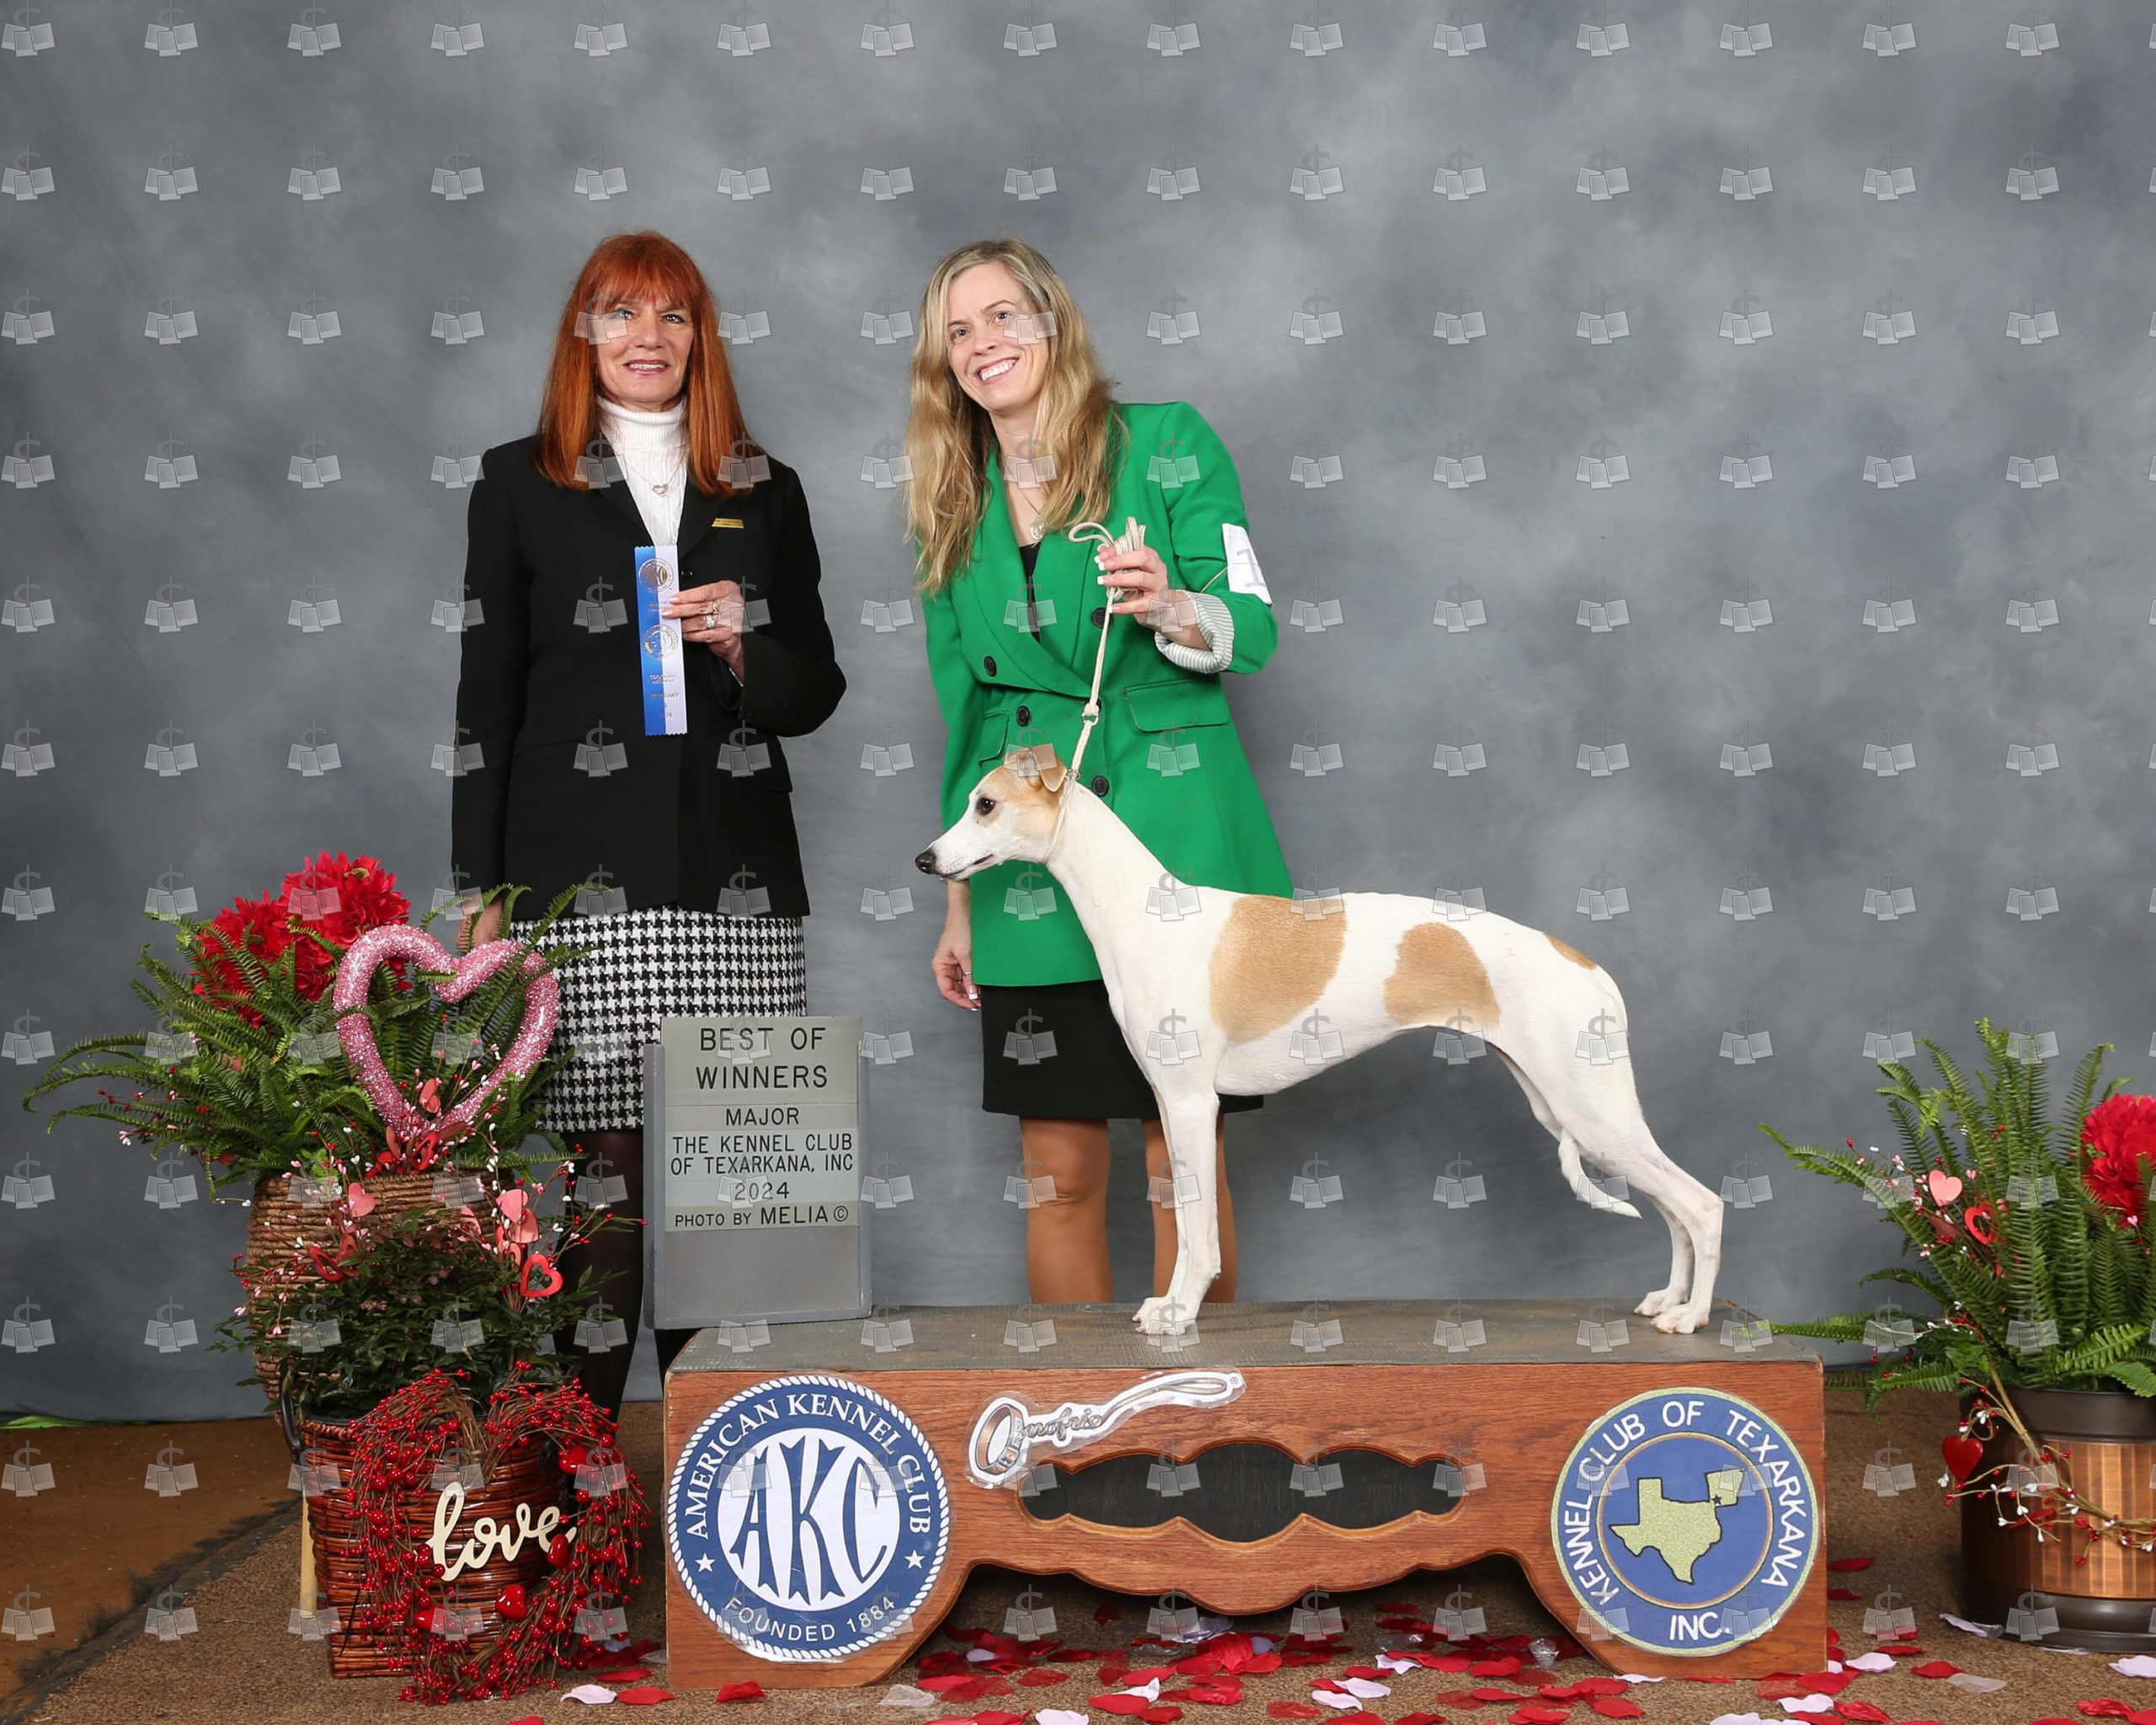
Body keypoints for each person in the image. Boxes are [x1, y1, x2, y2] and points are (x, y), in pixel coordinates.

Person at [450, 230, 845, 1418]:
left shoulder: (766, 486)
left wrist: (743, 640)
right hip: (579, 876)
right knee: (608, 1172)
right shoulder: (517, 480)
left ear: (700, 339)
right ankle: (580, 1456)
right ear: (584, 336)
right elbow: (486, 699)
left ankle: (715, 1459)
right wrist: (481, 887)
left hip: (735, 873)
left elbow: (814, 691)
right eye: (620, 312)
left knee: (726, 1176)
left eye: (672, 316)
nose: (647, 337)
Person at [907, 237, 1292, 1311]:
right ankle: (1077, 1406)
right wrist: (960, 897)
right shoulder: (950, 497)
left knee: (1181, 1165)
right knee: (1059, 1174)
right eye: (957, 331)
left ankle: (1196, 1405)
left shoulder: (1167, 443)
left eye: (1002, 315)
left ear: (1052, 320)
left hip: (1180, 849)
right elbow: (968, 716)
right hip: (1031, 875)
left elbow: (1253, 626)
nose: (983, 343)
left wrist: (1170, 604)